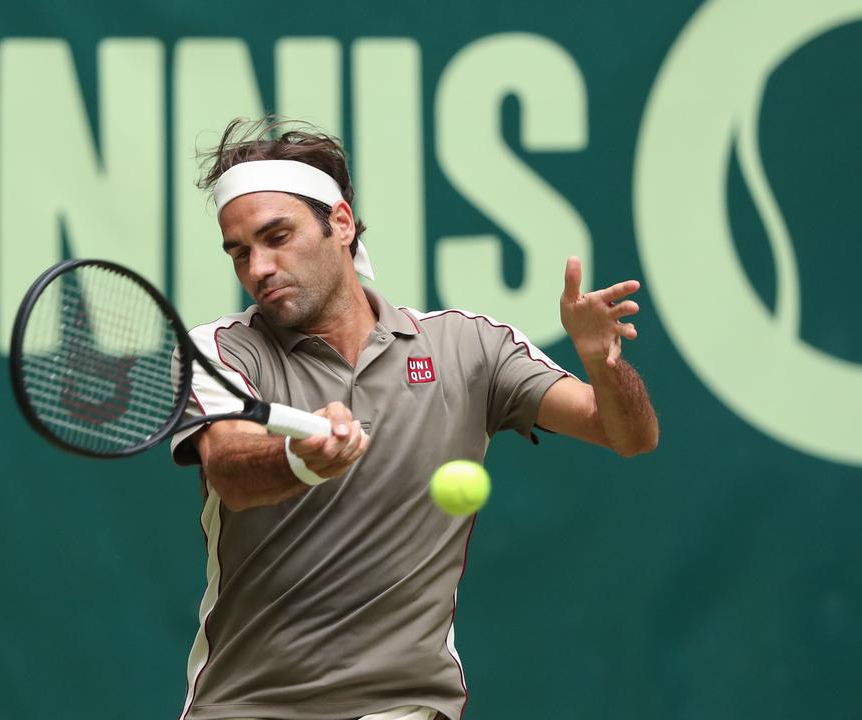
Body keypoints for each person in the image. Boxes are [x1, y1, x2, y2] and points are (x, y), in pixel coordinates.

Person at [170, 118, 658, 720]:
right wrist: (300, 458)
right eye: (240, 252)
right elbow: (232, 470)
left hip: (404, 707)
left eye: (278, 237)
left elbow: (628, 435)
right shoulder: (219, 350)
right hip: (246, 706)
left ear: (340, 223)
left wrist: (602, 362)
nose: (259, 268)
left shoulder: (469, 347)